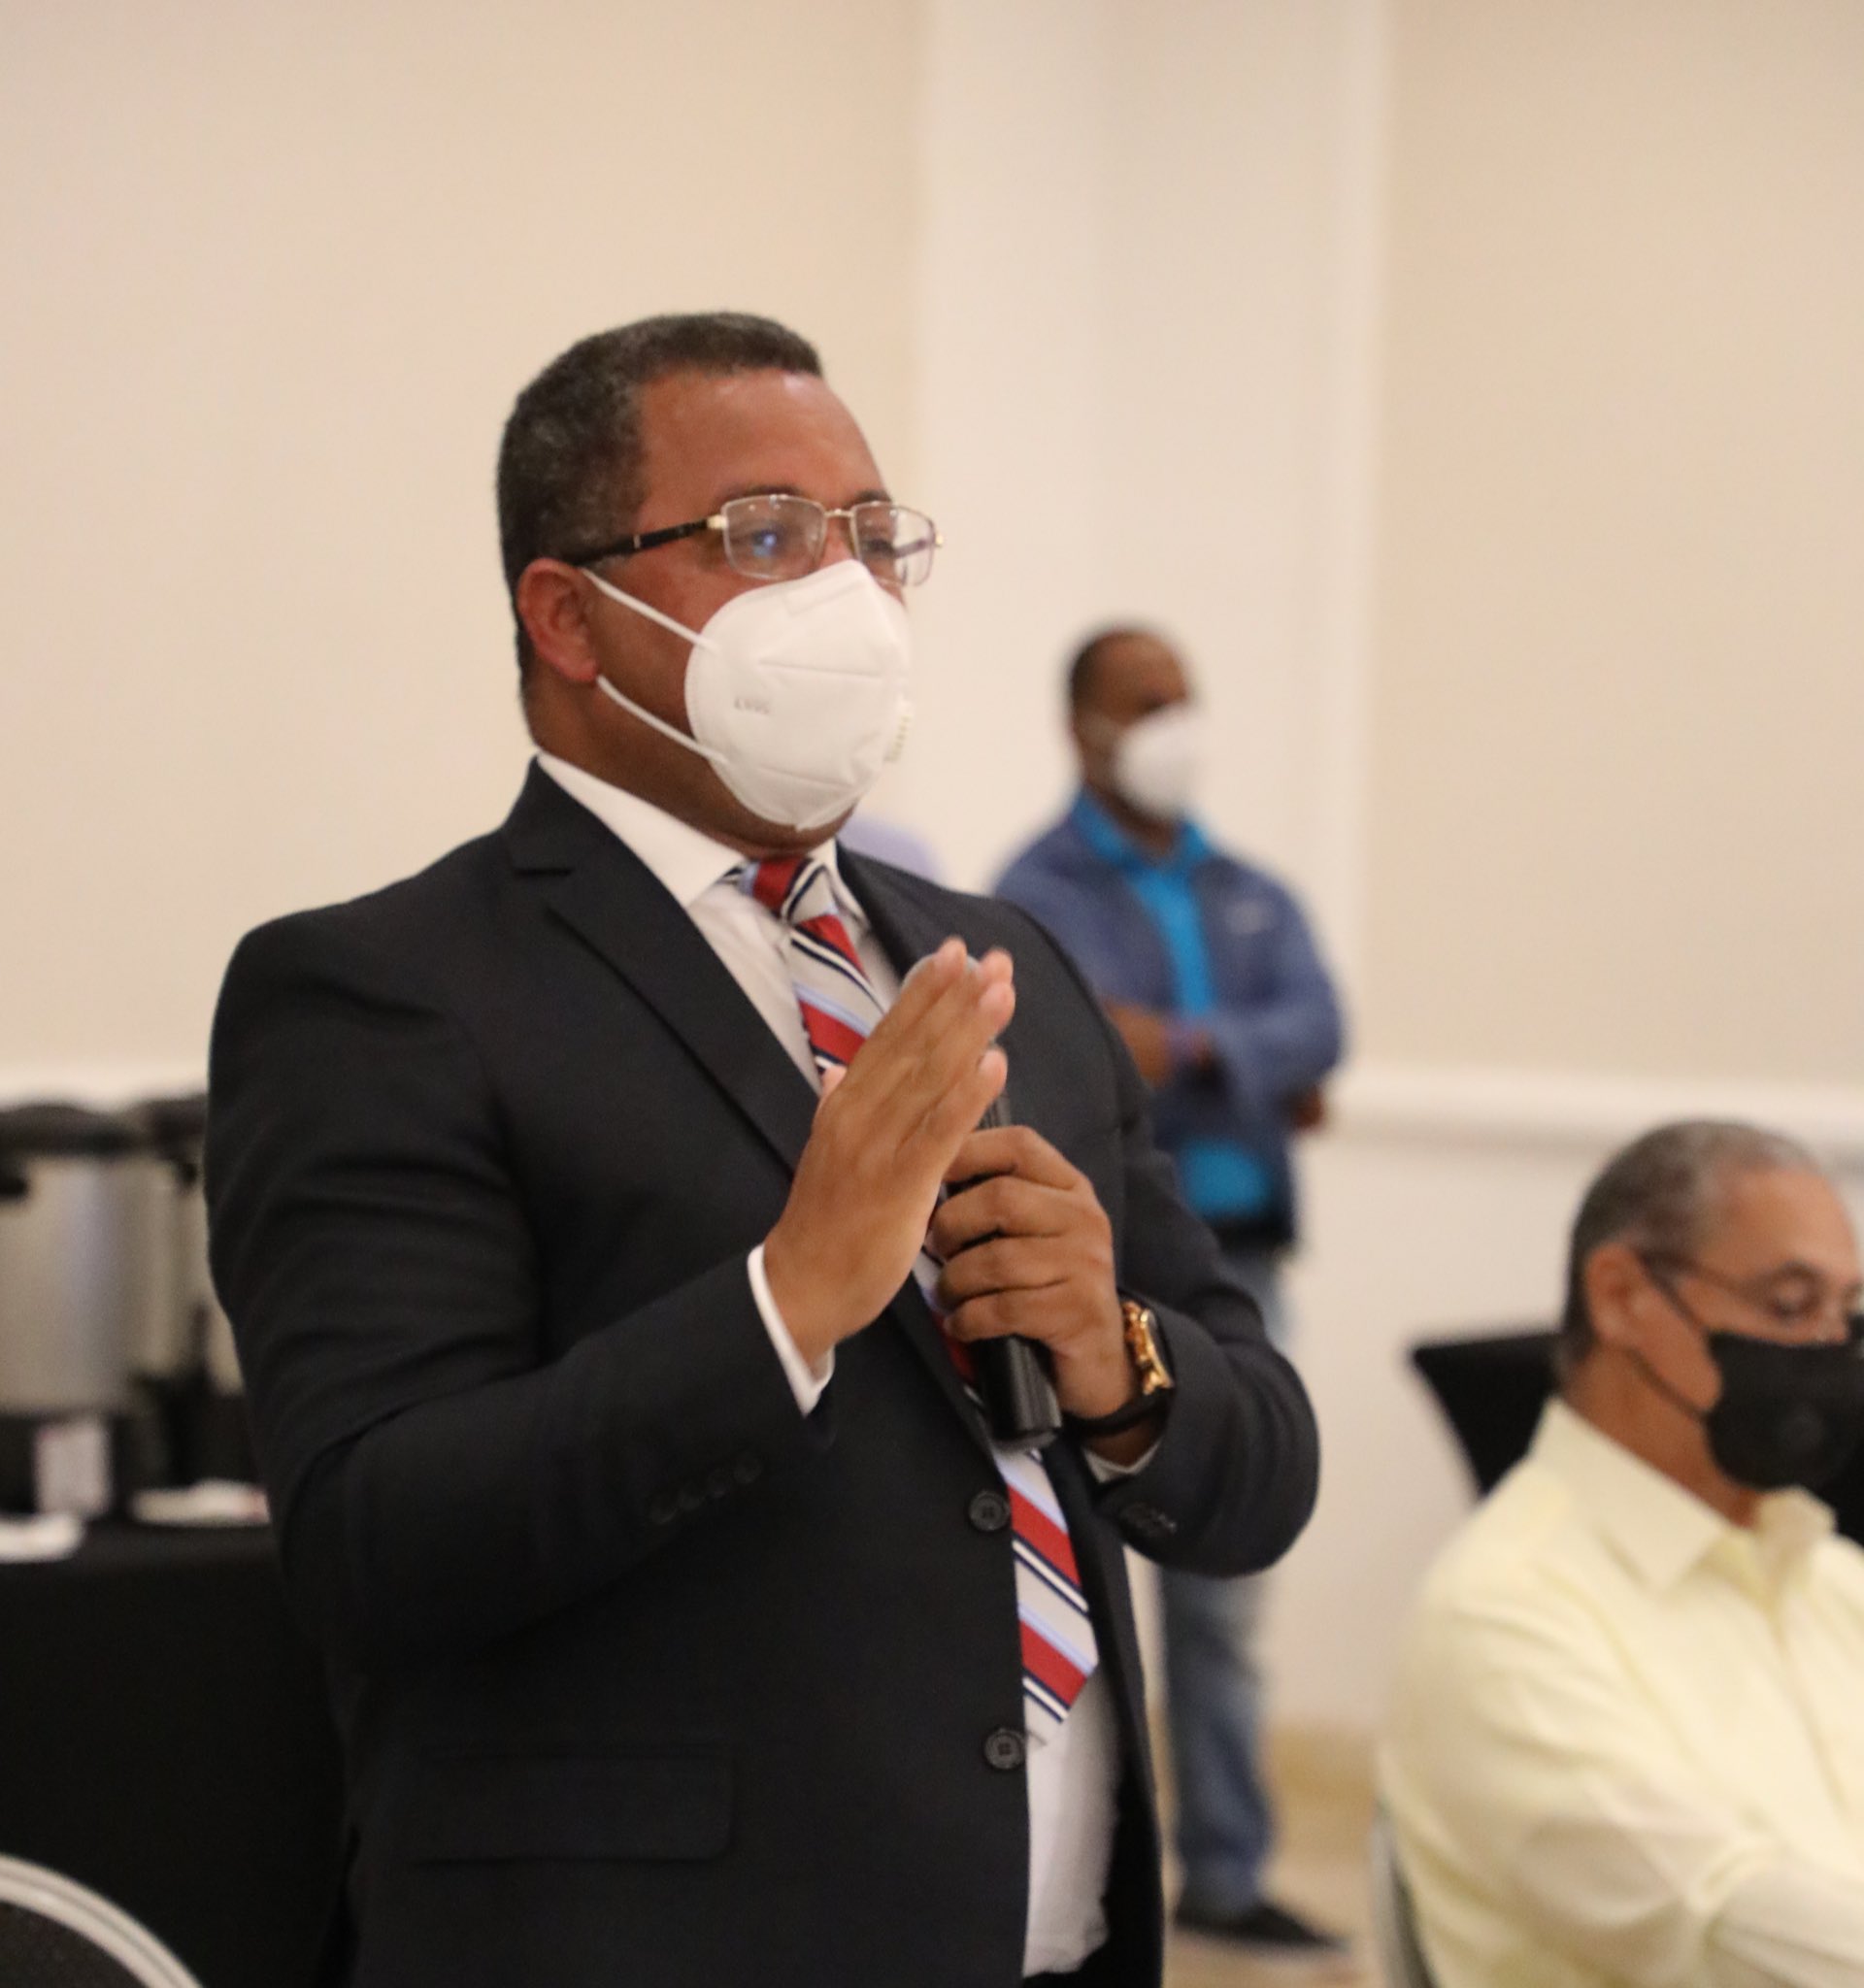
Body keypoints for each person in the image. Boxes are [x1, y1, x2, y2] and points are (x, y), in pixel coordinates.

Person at [205, 313, 1320, 1988]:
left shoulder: (998, 959)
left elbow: (1262, 1470)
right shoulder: (384, 992)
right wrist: (783, 1302)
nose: (847, 592)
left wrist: (1118, 1360)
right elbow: (378, 1541)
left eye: (871, 536)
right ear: (568, 616)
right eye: (768, 536)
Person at [994, 627, 1348, 1967]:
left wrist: (1190, 1046)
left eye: (1183, 697)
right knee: (1081, 1578)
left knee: (1225, 1597)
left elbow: (1319, 1027)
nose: (1173, 722)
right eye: (1145, 701)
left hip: (1240, 1266)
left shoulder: (1247, 888)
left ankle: (1228, 1873)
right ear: (1080, 725)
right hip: (1090, 1276)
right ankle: (1072, 1878)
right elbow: (1082, 1056)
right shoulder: (1036, 894)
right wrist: (1253, 1075)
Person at [1382, 1120, 1864, 1988]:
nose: (1828, 1351)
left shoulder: (1831, 1582)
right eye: (1791, 1307)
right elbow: (1717, 1926)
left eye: (1847, 1315)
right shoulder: (1501, 1614)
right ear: (1622, 1297)